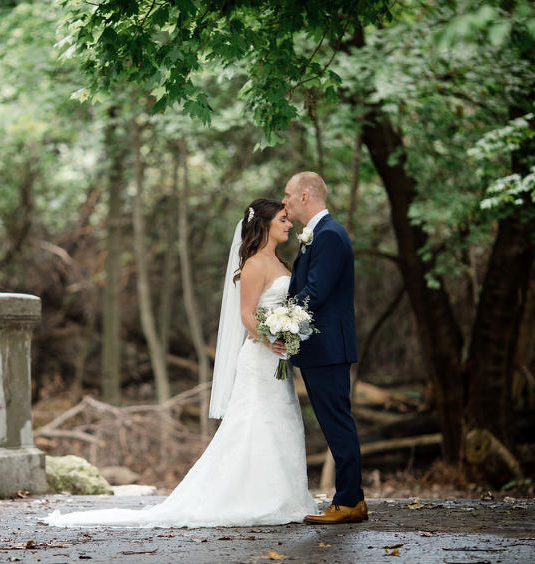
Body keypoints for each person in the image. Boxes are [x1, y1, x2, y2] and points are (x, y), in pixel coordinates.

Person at [44, 199, 317, 527]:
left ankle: (286, 496)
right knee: (258, 425)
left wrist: (290, 329)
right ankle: (259, 497)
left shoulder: (281, 261)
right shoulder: (256, 264)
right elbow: (246, 315)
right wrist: (271, 335)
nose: (289, 225)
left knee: (282, 422)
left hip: (277, 359)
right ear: (265, 225)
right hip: (261, 359)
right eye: (283, 220)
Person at [279, 171, 367, 524]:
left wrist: (280, 320)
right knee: (334, 423)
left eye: (287, 194)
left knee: (337, 423)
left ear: (305, 196)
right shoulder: (316, 236)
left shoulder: (329, 235)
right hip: (321, 348)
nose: (283, 201)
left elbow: (314, 292)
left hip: (329, 347)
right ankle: (351, 500)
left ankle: (348, 500)